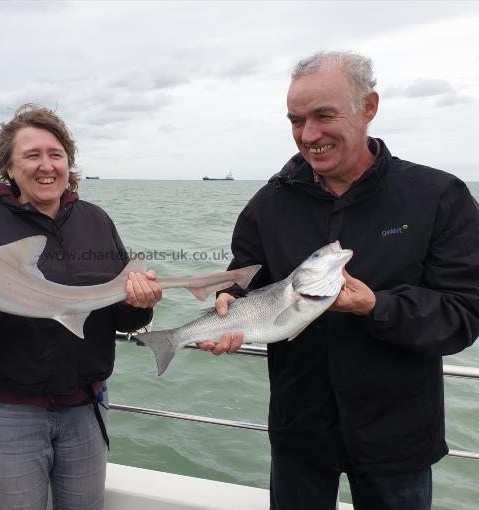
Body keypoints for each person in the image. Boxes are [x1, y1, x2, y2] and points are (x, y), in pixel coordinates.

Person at [200, 51, 479, 509]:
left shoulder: (438, 197)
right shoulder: (268, 205)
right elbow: (245, 281)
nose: (308, 136)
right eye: (296, 120)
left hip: (398, 436)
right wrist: (228, 303)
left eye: (324, 116)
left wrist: (378, 308)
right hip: (299, 434)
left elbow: (464, 314)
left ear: (369, 107)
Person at [0, 103, 161, 510]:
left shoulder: (96, 221)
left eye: (55, 154)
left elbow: (118, 316)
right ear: (8, 166)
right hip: (5, 414)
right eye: (32, 155)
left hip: (85, 408)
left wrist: (139, 304)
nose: (46, 166)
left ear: (69, 162)